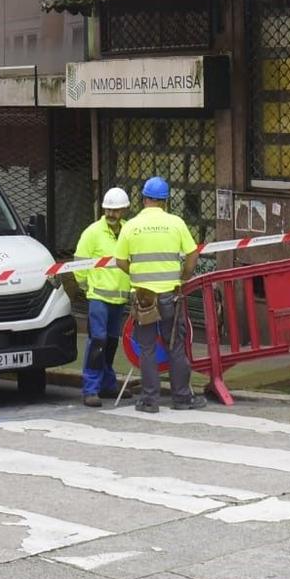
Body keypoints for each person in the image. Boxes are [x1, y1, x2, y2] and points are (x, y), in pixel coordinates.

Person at [119, 176, 206, 414]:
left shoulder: (131, 226)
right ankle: (181, 399)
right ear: (165, 201)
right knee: (175, 346)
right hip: (170, 295)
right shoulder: (175, 223)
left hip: (143, 297)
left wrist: (137, 275)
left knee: (146, 348)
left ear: (144, 198)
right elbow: (192, 254)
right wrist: (184, 276)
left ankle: (149, 401)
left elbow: (120, 261)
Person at [71, 188, 133, 406]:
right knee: (98, 341)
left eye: (115, 210)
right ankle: (91, 388)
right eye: (108, 209)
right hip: (98, 297)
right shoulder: (92, 232)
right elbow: (79, 262)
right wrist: (87, 287)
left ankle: (107, 385)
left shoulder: (128, 231)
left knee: (111, 343)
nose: (111, 213)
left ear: (124, 210)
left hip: (119, 298)